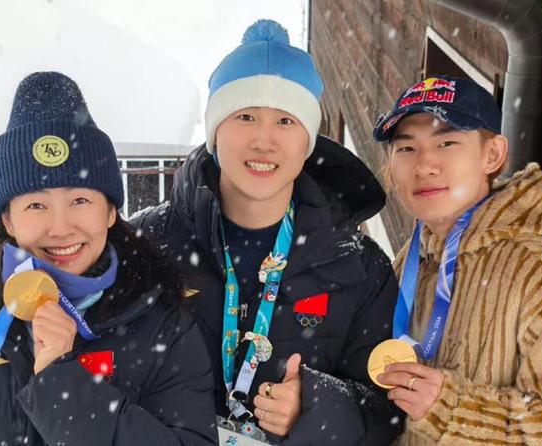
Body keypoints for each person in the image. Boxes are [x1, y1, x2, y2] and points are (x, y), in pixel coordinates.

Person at [131, 19, 402, 445]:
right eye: (245, 116)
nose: (264, 140)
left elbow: (387, 411)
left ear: (307, 141)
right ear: (215, 131)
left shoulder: (360, 266)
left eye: (286, 121)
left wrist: (315, 406)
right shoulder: (145, 244)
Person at [0, 72, 217, 445]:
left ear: (110, 211)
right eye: (36, 205)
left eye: (80, 200)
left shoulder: (164, 328)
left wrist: (63, 386)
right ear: (7, 220)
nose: (60, 228)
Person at [372, 75, 542, 445]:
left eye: (446, 142)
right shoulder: (413, 256)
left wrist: (449, 410)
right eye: (406, 148)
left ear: (492, 155)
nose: (424, 165)